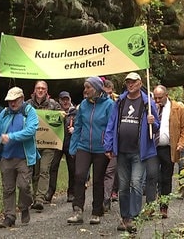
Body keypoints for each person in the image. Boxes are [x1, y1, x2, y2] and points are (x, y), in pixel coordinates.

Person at [104, 72, 160, 233]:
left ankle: (134, 218)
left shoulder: (147, 102)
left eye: (133, 82)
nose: (130, 84)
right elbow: (112, 123)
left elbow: (156, 126)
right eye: (128, 82)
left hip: (139, 151)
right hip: (121, 150)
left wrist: (152, 122)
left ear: (140, 83)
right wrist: (108, 145)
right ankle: (125, 217)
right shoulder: (120, 101)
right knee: (122, 186)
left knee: (136, 183)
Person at [0, 87, 39, 228]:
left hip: (24, 157)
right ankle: (9, 216)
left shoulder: (30, 112)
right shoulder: (4, 113)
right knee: (8, 189)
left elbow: (30, 131)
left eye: (15, 100)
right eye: (10, 101)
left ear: (21, 99)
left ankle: (24, 206)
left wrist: (11, 137)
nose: (12, 103)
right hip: (6, 157)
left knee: (24, 186)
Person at [67, 77, 115, 225]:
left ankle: (96, 212)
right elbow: (78, 126)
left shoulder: (109, 105)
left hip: (101, 148)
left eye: (88, 87)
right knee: (79, 175)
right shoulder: (83, 104)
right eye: (85, 87)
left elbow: (110, 127)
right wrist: (73, 147)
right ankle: (78, 210)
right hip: (84, 146)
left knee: (98, 179)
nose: (85, 90)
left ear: (96, 88)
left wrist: (108, 146)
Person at [149, 85, 184, 218]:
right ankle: (150, 207)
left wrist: (181, 143)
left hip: (169, 148)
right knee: (152, 176)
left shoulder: (178, 108)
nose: (157, 100)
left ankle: (164, 207)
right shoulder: (150, 107)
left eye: (160, 97)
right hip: (153, 148)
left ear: (167, 95)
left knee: (166, 178)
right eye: (155, 97)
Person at [26, 81, 62, 210]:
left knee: (44, 170)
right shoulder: (28, 105)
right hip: (33, 143)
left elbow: (63, 120)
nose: (40, 90)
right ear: (34, 90)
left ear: (46, 91)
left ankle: (40, 198)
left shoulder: (54, 105)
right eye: (38, 88)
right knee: (34, 172)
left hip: (48, 144)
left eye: (43, 88)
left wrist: (62, 117)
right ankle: (35, 196)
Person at [57, 91, 77, 203]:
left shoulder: (76, 112)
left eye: (67, 99)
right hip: (57, 144)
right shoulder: (55, 112)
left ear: (70, 99)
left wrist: (74, 130)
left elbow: (80, 125)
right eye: (63, 99)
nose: (65, 102)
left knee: (72, 169)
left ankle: (71, 193)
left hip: (70, 144)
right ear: (59, 101)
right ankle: (50, 192)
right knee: (53, 167)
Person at [102, 79, 118, 212]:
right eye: (105, 93)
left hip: (113, 144)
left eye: (109, 93)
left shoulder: (116, 104)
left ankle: (107, 198)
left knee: (110, 172)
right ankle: (102, 197)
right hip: (99, 144)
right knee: (101, 172)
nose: (108, 95)